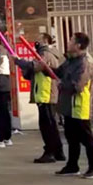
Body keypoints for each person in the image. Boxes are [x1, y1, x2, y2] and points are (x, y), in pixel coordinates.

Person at [43, 32, 93, 179]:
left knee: (87, 138)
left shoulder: (84, 64)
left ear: (78, 45)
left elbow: (77, 86)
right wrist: (45, 69)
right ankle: (72, 166)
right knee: (71, 138)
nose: (68, 43)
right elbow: (58, 72)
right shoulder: (70, 61)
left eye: (71, 41)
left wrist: (62, 84)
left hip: (79, 106)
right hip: (69, 106)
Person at [15, 34, 65, 163]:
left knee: (47, 125)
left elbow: (35, 66)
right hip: (44, 93)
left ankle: (50, 152)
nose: (36, 42)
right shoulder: (47, 53)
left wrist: (19, 61)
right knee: (51, 124)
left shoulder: (46, 53)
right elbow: (32, 72)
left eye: (39, 39)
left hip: (46, 93)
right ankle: (58, 151)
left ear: (45, 41)